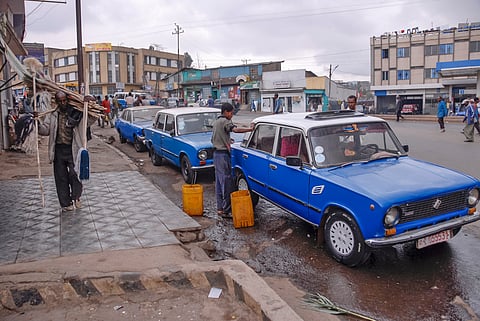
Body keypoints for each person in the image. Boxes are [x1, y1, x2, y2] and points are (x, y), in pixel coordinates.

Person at [36, 91, 92, 212]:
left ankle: (76, 197)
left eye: (64, 100)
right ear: (56, 102)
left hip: (72, 149)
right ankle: (65, 203)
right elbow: (46, 130)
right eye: (60, 101)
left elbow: (89, 120)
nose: (63, 103)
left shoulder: (75, 113)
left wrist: (90, 103)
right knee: (61, 177)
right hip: (58, 150)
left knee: (74, 174)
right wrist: (37, 123)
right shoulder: (52, 115)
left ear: (67, 100)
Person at [211, 103, 254, 217]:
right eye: (231, 113)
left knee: (219, 182)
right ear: (226, 112)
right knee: (226, 182)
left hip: (216, 154)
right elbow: (235, 130)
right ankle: (226, 210)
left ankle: (220, 208)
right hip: (223, 155)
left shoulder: (216, 122)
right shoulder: (226, 121)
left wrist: (227, 141)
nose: (232, 115)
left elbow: (214, 138)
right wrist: (250, 129)